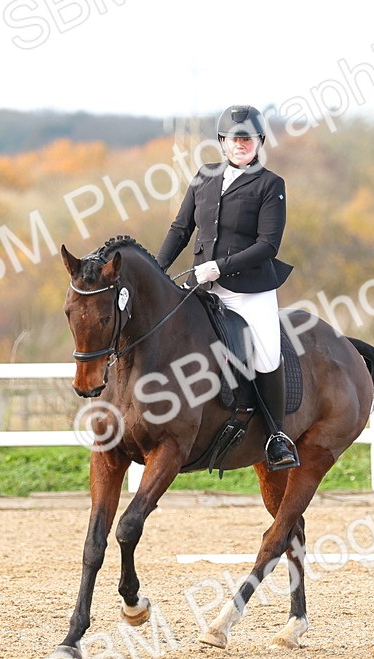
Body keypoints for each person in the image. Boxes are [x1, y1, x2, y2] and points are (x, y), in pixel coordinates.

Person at [156, 104, 299, 470]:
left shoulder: (270, 185)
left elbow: (268, 245)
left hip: (250, 290)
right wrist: (158, 270)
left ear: (258, 142)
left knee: (267, 354)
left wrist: (218, 267)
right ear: (222, 142)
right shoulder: (204, 177)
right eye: (235, 138)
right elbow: (180, 230)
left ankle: (276, 436)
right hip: (203, 288)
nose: (241, 144)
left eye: (248, 139)